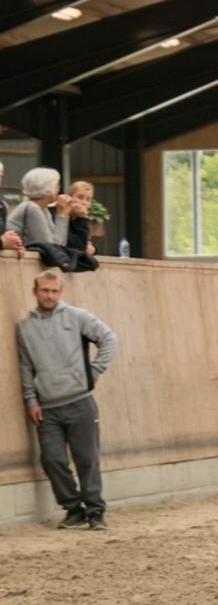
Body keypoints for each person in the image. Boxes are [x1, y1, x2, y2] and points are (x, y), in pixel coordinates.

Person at [17, 269, 117, 530]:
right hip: (47, 408)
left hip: (80, 402)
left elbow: (108, 339)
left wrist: (94, 371)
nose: (49, 295)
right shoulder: (25, 328)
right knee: (52, 460)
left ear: (60, 293)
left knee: (87, 459)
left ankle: (96, 512)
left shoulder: (77, 317)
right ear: (35, 291)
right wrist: (31, 400)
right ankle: (73, 509)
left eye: (54, 291)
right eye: (44, 290)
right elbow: (26, 366)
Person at [7, 167, 71, 248]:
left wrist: (62, 214)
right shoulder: (32, 208)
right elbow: (52, 247)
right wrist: (62, 215)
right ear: (47, 187)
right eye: (56, 185)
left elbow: (57, 246)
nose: (59, 188)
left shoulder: (42, 209)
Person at [0, 160, 26, 255]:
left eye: (0, 176)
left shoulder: (2, 206)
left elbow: (3, 236)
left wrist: (14, 244)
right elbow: (2, 241)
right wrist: (3, 242)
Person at [66, 180, 97, 258]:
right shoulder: (61, 216)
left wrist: (93, 249)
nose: (84, 203)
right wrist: (81, 219)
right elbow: (77, 247)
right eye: (80, 197)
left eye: (88, 199)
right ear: (69, 197)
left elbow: (86, 244)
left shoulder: (81, 218)